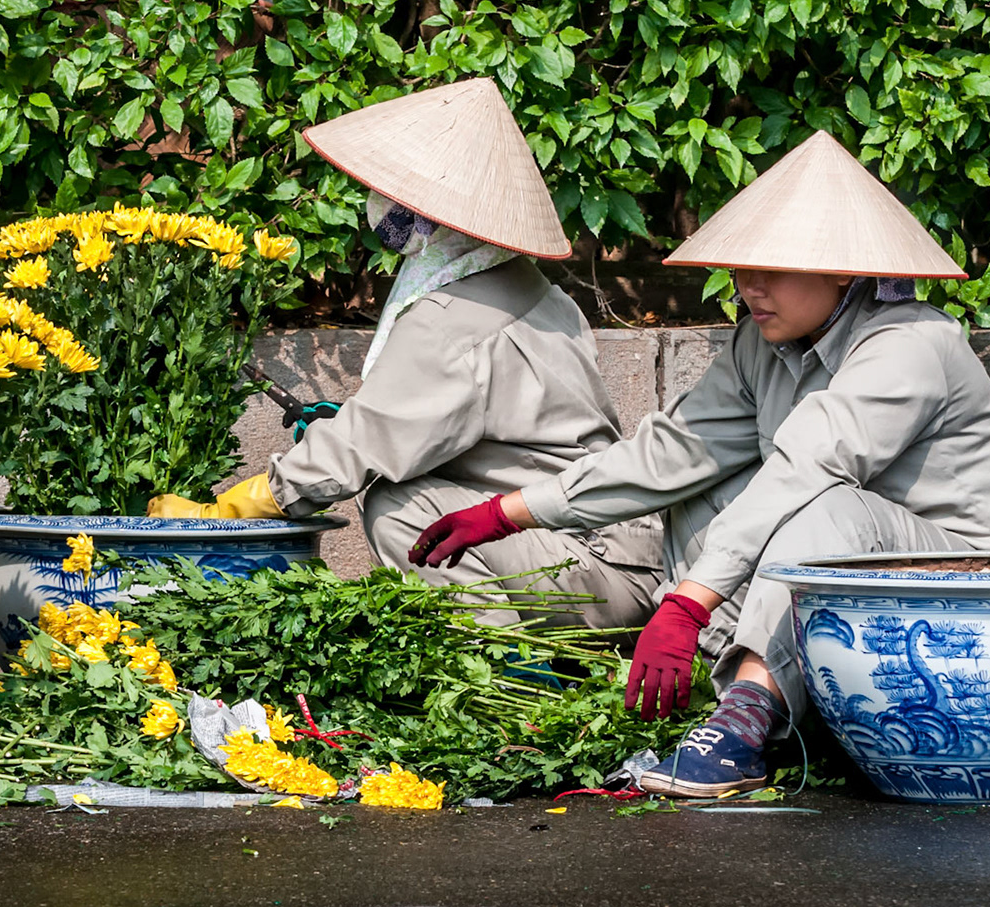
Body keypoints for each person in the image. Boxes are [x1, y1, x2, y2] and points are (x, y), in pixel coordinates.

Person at [409, 130, 990, 794]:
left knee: (824, 500)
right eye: (741, 267)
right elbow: (673, 451)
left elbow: (807, 467)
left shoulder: (913, 341)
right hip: (884, 609)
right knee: (703, 483)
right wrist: (507, 512)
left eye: (773, 268)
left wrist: (686, 605)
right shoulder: (763, 347)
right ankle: (737, 692)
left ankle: (742, 725)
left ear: (843, 269)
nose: (750, 287)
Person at [147, 77, 665, 628]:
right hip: (616, 549)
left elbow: (357, 450)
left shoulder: (452, 318)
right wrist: (358, 420)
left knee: (401, 509)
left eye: (396, 194)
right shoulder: (523, 284)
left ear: (428, 211)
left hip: (588, 562)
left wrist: (229, 512)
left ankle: (506, 674)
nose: (380, 205)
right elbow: (459, 417)